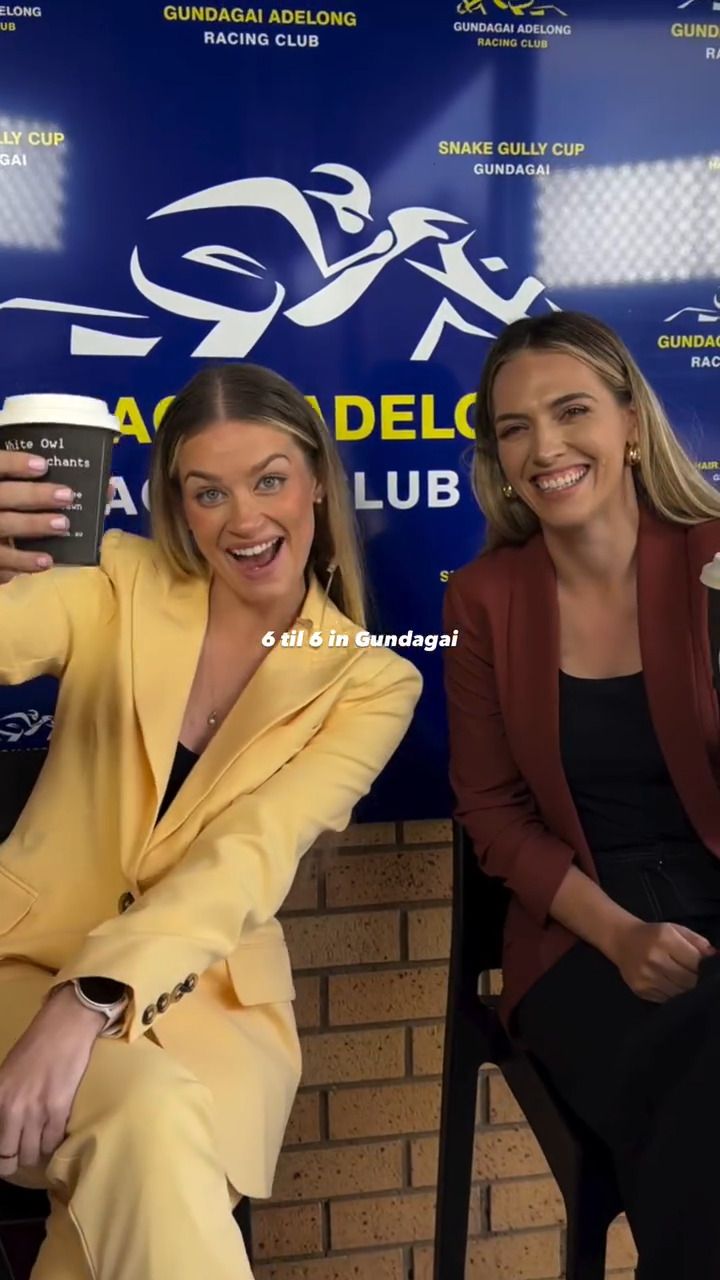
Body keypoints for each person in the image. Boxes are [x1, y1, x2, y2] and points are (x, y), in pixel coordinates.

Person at [0, 363, 422, 1280]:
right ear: (178, 507)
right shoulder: (118, 577)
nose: (245, 519)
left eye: (270, 479)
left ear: (317, 481)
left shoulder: (374, 682)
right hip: (19, 972)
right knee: (150, 1121)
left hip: (211, 1017)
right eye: (209, 492)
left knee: (138, 1162)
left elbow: (248, 857)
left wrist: (89, 999)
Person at [444, 311, 720, 1280]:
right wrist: (622, 936)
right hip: (581, 942)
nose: (545, 447)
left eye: (571, 412)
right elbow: (492, 812)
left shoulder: (713, 559)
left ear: (631, 421)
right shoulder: (484, 598)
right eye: (514, 427)